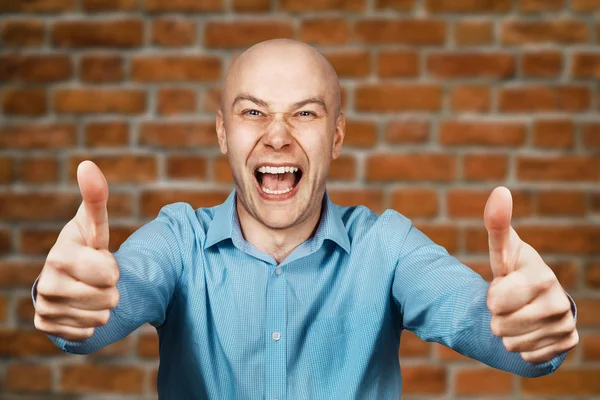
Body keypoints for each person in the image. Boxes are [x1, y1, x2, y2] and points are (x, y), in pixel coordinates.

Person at [32, 39, 578, 399]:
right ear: (223, 133)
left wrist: (534, 329)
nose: (277, 134)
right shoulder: (179, 240)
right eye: (252, 112)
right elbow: (110, 300)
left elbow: (482, 321)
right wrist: (73, 304)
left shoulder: (385, 247)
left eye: (305, 113)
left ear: (336, 135)